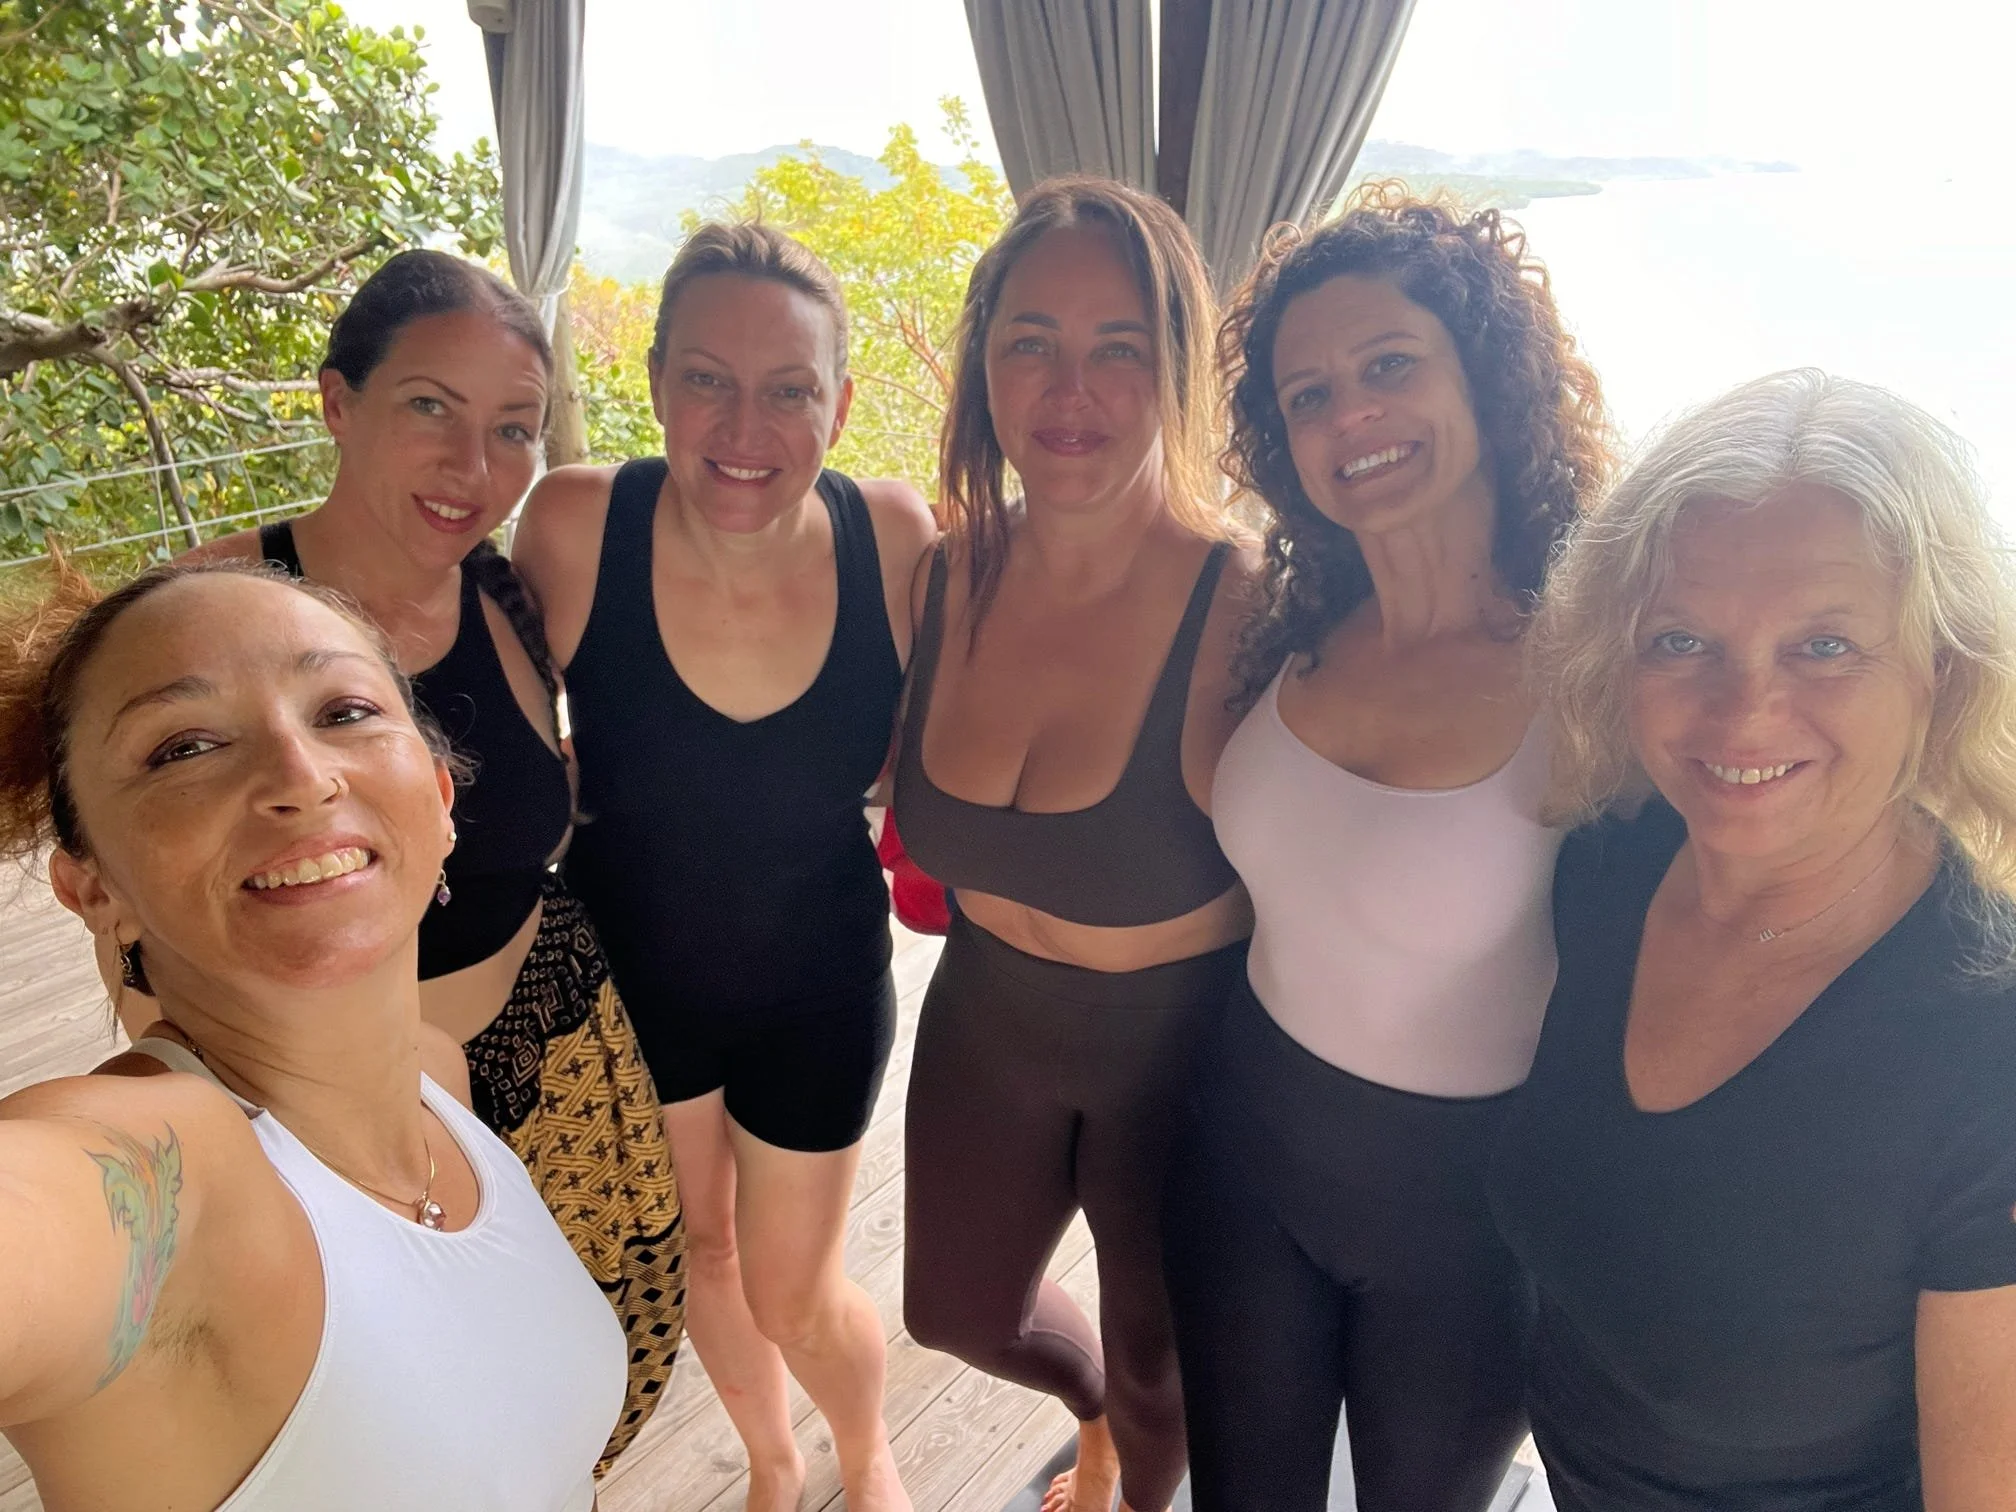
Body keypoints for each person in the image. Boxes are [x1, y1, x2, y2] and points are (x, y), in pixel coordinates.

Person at [172, 249, 682, 1462]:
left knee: (598, 1371)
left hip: (559, 1054)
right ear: (337, 403)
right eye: (429, 408)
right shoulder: (213, 610)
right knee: (399, 1431)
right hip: (331, 1112)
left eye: (512, 429)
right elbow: (137, 913)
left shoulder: (505, 596)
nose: (474, 466)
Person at [0, 558, 626, 1510]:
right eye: (184, 747)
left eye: (344, 711)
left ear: (441, 801)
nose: (301, 776)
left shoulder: (438, 1079)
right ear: (92, 889)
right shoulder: (156, 1182)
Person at [1496, 369, 2016, 1510]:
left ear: (1940, 671)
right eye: (1681, 639)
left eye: (1825, 646)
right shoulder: (1609, 869)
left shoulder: (1990, 1046)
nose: (1745, 711)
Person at [1161, 194, 1610, 1512]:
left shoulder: (1594, 671)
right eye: (1308, 395)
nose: (1350, 414)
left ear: (1488, 378)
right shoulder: (1282, 623)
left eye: (1390, 365)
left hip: (1467, 1233)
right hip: (1242, 1156)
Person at [512, 223, 935, 1512]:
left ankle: (865, 1451)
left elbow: (965, 730)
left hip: (819, 981)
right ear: (653, 383)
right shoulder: (576, 522)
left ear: (840, 406)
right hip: (639, 982)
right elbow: (475, 712)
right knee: (705, 1251)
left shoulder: (894, 537)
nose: (744, 426)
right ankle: (771, 1457)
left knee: (794, 1289)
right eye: (707, 378)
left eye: (789, 389)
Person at [890, 176, 1256, 1512]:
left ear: (1177, 371)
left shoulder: (1246, 603)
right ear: (982, 363)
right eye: (1031, 342)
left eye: (1120, 348)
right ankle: (1090, 1415)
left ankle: (1129, 1475)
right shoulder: (941, 574)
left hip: (1182, 1052)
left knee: (1167, 1380)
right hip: (986, 1018)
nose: (1070, 388)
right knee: (953, 1314)